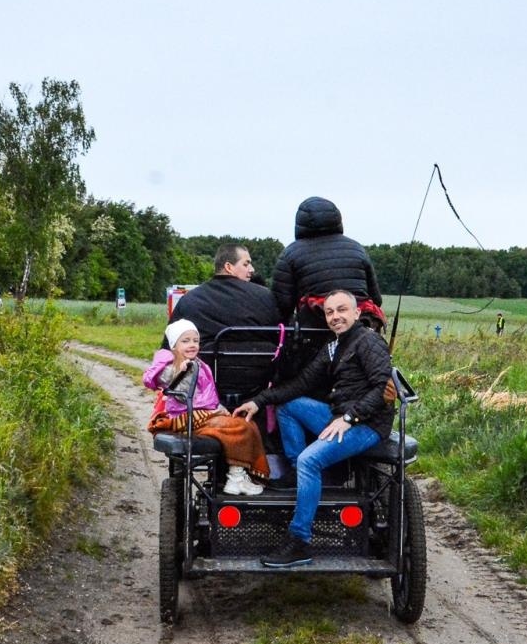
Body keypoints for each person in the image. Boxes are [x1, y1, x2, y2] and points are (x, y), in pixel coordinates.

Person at [232, 291, 394, 567]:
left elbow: (382, 389)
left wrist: (350, 418)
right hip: (340, 416)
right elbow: (301, 384)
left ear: (357, 313)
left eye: (342, 310)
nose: (335, 317)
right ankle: (299, 475)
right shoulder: (334, 346)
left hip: (367, 424)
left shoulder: (369, 341)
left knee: (311, 459)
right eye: (330, 312)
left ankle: (299, 541)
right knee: (288, 405)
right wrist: (258, 401)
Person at [145, 319, 269, 496]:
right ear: (174, 346)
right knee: (239, 427)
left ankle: (237, 475)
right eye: (185, 341)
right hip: (184, 416)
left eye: (195, 340)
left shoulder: (199, 364)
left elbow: (208, 396)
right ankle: (235, 478)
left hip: (201, 413)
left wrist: (219, 408)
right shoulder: (172, 368)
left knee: (246, 423)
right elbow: (182, 395)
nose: (192, 345)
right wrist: (181, 373)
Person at [270, 197, 384, 332]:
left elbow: (282, 306)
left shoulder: (290, 254)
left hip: (313, 333)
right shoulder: (357, 249)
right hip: (359, 328)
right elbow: (376, 299)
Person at [167, 243, 281, 351]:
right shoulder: (265, 296)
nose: (252, 269)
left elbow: (169, 344)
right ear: (228, 267)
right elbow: (280, 336)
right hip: (260, 368)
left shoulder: (189, 299)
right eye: (246, 264)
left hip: (206, 369)